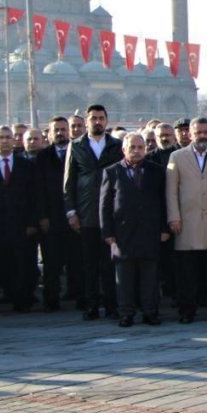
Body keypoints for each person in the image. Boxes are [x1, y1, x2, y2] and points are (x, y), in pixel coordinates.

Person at [166, 117, 207, 324]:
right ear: (190, 134)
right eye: (198, 133)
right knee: (187, 273)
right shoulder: (176, 156)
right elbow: (171, 191)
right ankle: (187, 311)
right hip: (186, 222)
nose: (202, 136)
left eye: (206, 132)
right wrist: (174, 217)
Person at [100, 133, 169, 327]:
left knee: (150, 277)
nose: (136, 151)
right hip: (122, 234)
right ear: (124, 149)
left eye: (140, 147)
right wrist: (108, 232)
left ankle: (150, 312)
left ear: (145, 149)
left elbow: (164, 201)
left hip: (150, 232)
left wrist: (164, 228)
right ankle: (126, 313)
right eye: (132, 147)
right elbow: (104, 205)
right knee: (124, 278)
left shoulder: (157, 171)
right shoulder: (112, 172)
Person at [64, 104, 124, 320]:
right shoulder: (76, 146)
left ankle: (111, 305)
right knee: (89, 263)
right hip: (86, 212)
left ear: (106, 121)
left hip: (111, 212)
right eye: (93, 118)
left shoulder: (116, 145)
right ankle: (91, 305)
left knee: (110, 262)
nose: (97, 122)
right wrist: (71, 211)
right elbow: (69, 182)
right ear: (86, 122)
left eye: (101, 118)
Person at [0, 126, 38, 313]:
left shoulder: (26, 165)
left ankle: (21, 300)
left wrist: (31, 222)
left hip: (19, 224)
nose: (4, 141)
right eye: (1, 138)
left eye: (8, 137)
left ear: (14, 140)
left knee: (20, 263)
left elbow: (33, 196)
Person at [36, 117, 77, 311]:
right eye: (56, 130)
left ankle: (79, 296)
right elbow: (38, 190)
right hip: (51, 217)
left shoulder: (76, 151)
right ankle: (51, 300)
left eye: (63, 129)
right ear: (49, 133)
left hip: (73, 216)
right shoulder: (42, 156)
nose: (60, 133)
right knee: (51, 262)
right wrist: (42, 216)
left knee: (76, 260)